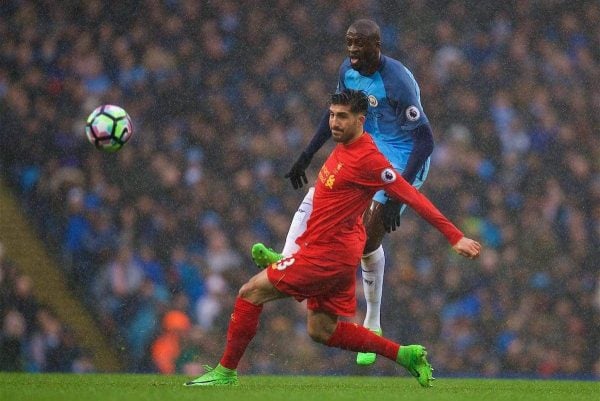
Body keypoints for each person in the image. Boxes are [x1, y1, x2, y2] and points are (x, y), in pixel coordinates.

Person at [185, 89, 481, 387]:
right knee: (321, 330)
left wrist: (455, 236)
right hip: (334, 254)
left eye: (342, 117)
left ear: (360, 120)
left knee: (249, 292)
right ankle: (405, 355)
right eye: (331, 115)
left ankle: (226, 371)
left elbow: (410, 195)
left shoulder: (369, 160)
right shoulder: (344, 147)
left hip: (325, 257)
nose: (334, 123)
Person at [252, 19, 436, 365]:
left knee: (367, 241)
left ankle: (373, 322)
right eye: (348, 43)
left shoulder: (397, 81)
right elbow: (333, 114)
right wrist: (306, 155)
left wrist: (399, 193)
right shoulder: (347, 72)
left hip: (403, 160)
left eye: (359, 44)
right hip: (370, 147)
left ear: (376, 45)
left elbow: (425, 139)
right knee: (320, 190)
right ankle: (288, 255)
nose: (352, 50)